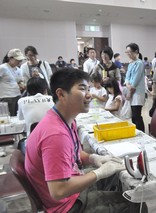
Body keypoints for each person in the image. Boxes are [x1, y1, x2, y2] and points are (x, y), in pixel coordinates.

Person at [25, 68, 144, 213]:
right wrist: (98, 173)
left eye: (89, 89)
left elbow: (74, 152)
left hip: (71, 182)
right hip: (66, 205)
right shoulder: (55, 134)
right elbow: (58, 190)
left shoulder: (66, 120)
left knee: (116, 175)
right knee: (137, 203)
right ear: (61, 94)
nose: (89, 95)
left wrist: (93, 158)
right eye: (82, 89)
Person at [124, 43, 145, 132]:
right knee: (133, 116)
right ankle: (136, 132)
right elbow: (127, 78)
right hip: (131, 90)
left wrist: (129, 91)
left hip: (137, 93)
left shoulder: (139, 63)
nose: (128, 54)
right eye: (127, 52)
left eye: (130, 52)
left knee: (136, 115)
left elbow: (135, 81)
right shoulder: (130, 64)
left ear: (136, 52)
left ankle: (141, 133)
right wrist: (128, 85)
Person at [0, 49, 25, 116]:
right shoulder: (2, 68)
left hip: (17, 96)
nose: (19, 61)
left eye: (20, 60)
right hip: (6, 97)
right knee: (8, 118)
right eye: (17, 60)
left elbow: (20, 82)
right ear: (10, 58)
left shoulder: (18, 69)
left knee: (17, 117)